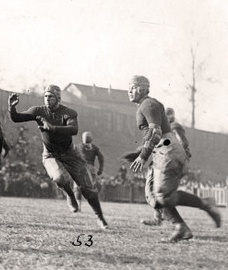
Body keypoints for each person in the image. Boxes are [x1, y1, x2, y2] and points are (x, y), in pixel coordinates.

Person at [126, 75, 221, 242]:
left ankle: (201, 208)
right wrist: (139, 152)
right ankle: (182, 226)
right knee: (158, 197)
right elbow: (153, 134)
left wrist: (143, 156)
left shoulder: (148, 104)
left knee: (162, 196)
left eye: (132, 87)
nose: (129, 90)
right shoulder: (146, 105)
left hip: (167, 150)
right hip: (162, 150)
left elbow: (156, 133)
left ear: (142, 88)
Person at [8, 85, 108, 229]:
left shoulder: (67, 112)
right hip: (50, 154)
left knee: (87, 187)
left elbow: (74, 129)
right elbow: (17, 118)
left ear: (58, 98)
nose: (47, 99)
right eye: (46, 96)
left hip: (70, 153)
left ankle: (100, 217)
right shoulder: (38, 111)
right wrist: (11, 108)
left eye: (51, 96)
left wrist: (52, 128)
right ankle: (70, 195)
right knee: (59, 178)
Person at [141, 107, 191, 226]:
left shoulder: (173, 126)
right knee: (154, 192)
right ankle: (158, 218)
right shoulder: (162, 130)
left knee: (155, 193)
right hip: (159, 162)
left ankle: (171, 220)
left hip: (166, 163)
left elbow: (183, 142)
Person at [72, 131, 104, 211]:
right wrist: (100, 169)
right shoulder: (94, 148)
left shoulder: (78, 146)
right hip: (90, 169)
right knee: (91, 188)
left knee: (77, 187)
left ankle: (78, 206)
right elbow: (101, 158)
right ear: (91, 139)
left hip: (79, 168)